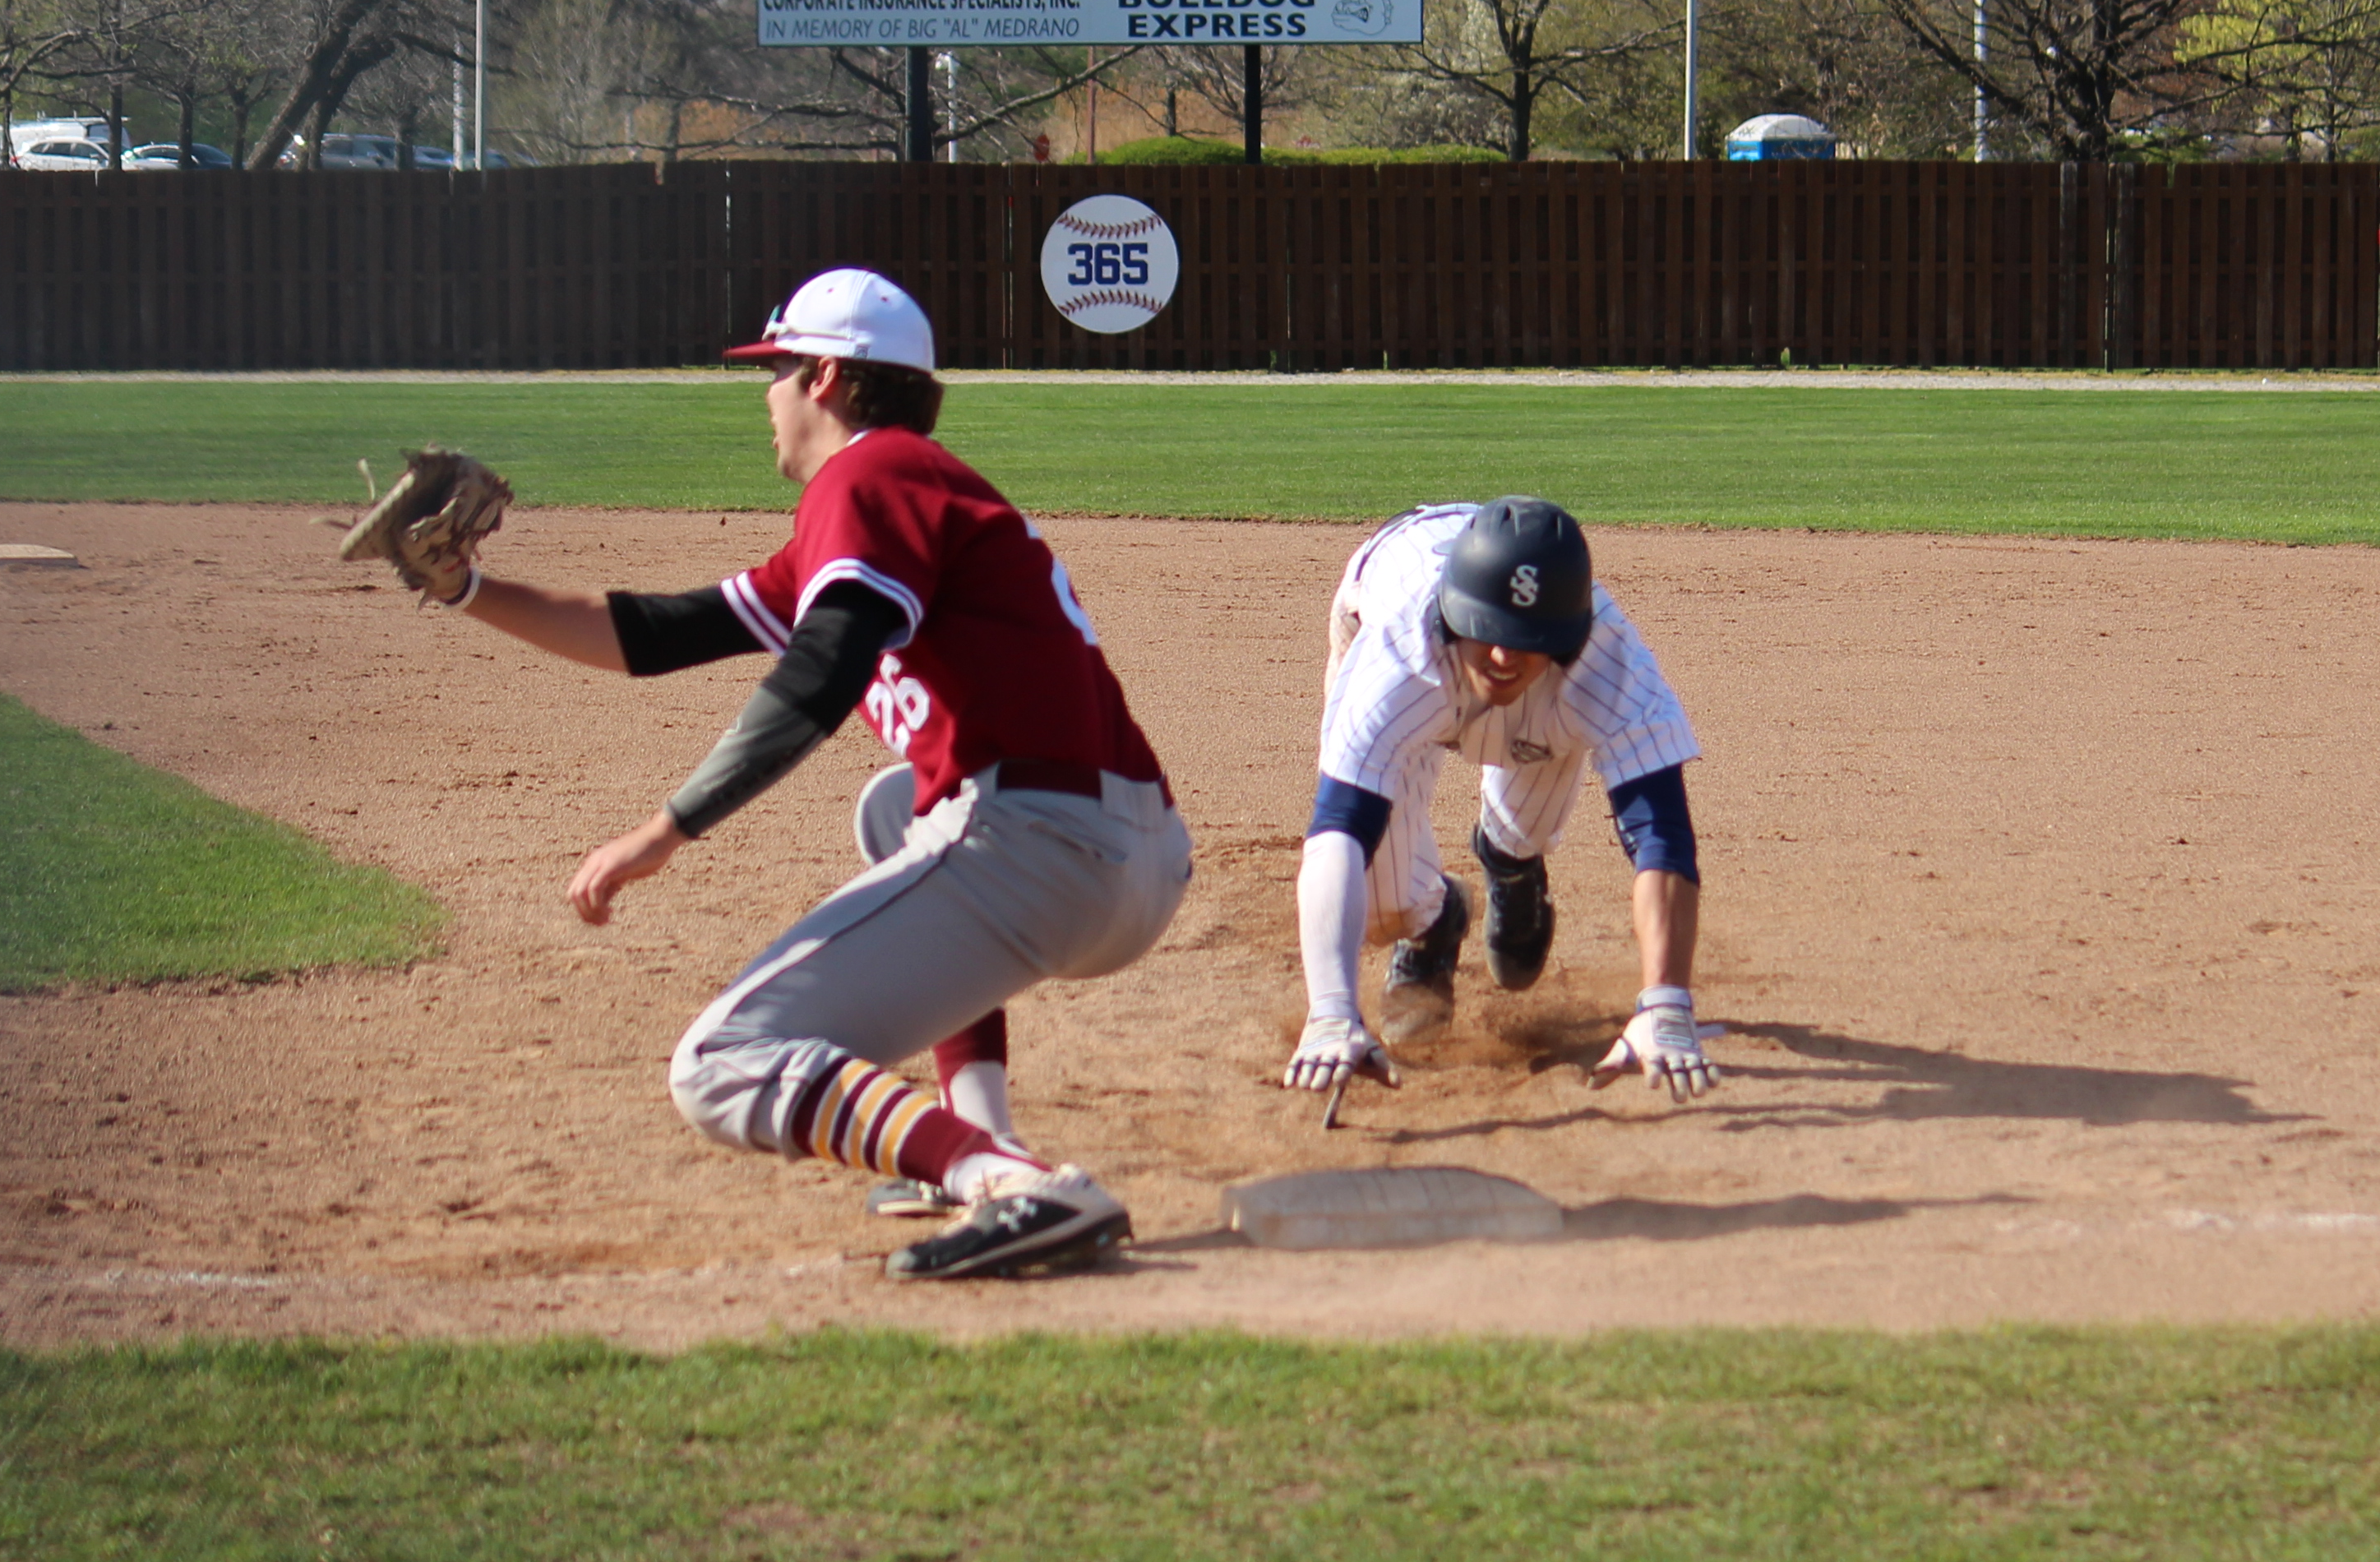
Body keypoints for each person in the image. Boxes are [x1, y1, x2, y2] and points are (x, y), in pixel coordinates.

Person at [435, 266, 1190, 1279]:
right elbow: (650, 634)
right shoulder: (899, 493)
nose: (767, 393)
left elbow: (825, 672)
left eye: (780, 369)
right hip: (1119, 858)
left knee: (717, 1066)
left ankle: (1010, 1185)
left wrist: (663, 833)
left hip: (1043, 851)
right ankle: (978, 1142)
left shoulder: (871, 478)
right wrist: (463, 587)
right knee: (897, 807)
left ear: (828, 378)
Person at [1284, 497, 1718, 1103]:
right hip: (1389, 598)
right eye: (1488, 629)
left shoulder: (1608, 664)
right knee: (1384, 909)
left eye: (1528, 637)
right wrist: (1331, 1011)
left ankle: (1511, 863)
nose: (1503, 655)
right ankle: (1436, 924)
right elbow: (1340, 828)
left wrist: (1667, 1003)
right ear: (1451, 612)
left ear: (1568, 635)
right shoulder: (1395, 657)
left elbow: (1661, 833)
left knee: (1526, 822)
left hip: (1538, 678)